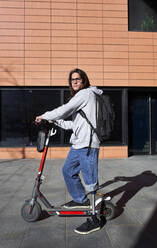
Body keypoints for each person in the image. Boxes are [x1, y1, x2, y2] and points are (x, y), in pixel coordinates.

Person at [35, 68, 103, 234]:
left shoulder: (86, 94)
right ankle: (80, 200)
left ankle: (94, 219)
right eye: (72, 79)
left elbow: (65, 109)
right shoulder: (81, 97)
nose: (74, 81)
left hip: (88, 144)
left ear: (84, 80)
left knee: (90, 180)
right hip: (78, 144)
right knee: (68, 170)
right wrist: (55, 122)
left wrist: (46, 116)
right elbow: (74, 124)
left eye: (78, 79)